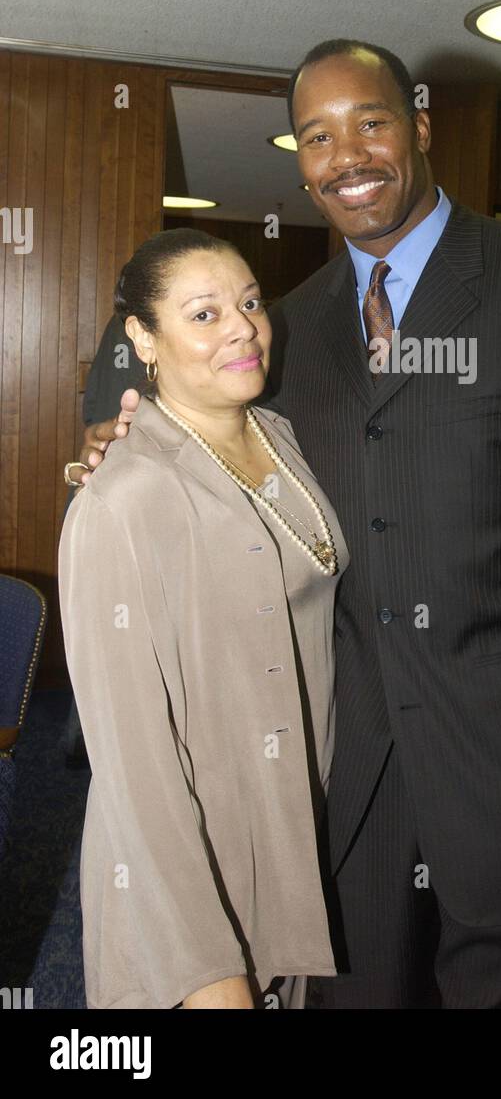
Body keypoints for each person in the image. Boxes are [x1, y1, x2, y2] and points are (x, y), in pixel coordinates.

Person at [75, 39, 501, 1009]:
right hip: (349, 786)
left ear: (419, 130)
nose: (346, 154)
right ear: (299, 160)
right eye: (317, 135)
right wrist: (127, 438)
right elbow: (222, 452)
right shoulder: (285, 333)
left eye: (371, 122)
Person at [59, 228, 349, 1008]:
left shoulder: (281, 438)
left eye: (250, 302)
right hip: (191, 866)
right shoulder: (122, 497)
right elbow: (132, 769)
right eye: (203, 313)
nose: (242, 327)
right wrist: (208, 968)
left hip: (289, 827)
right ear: (143, 339)